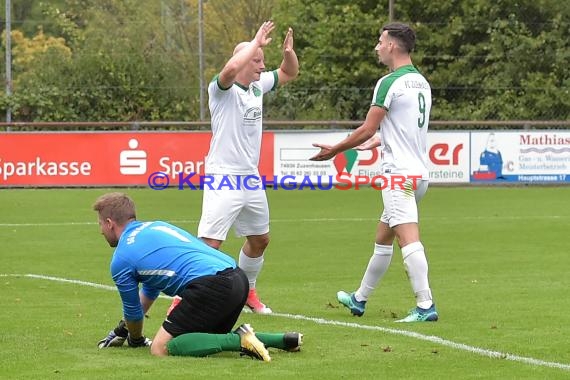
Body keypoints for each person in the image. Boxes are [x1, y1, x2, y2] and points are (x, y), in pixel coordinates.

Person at [310, 22, 438, 322]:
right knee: (383, 238)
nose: (377, 47)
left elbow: (368, 126)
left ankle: (425, 305)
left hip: (398, 176)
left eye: (380, 41)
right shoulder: (421, 82)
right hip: (419, 175)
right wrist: (378, 142)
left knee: (409, 240)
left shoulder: (388, 82)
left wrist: (336, 149)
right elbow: (406, 129)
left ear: (393, 45)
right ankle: (359, 299)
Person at [94, 192, 303, 360]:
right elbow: (151, 286)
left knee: (161, 348)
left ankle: (240, 339)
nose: (100, 231)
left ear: (110, 223)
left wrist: (136, 338)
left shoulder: (121, 258)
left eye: (101, 224)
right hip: (238, 279)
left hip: (212, 286)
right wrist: (123, 329)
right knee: (198, 340)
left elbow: (133, 312)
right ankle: (282, 340)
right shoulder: (157, 225)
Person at [194, 20, 299, 314]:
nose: (262, 66)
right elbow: (228, 71)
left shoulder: (257, 87)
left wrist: (288, 52)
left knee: (260, 239)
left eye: (263, 61)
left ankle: (248, 292)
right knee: (209, 245)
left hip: (250, 179)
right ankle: (183, 299)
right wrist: (254, 43)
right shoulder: (221, 90)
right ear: (241, 60)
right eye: (257, 60)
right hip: (223, 177)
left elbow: (290, 72)